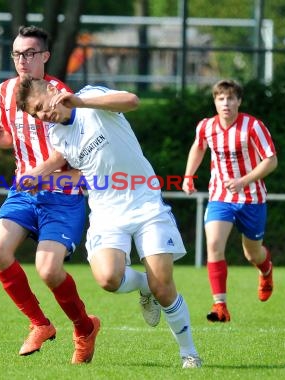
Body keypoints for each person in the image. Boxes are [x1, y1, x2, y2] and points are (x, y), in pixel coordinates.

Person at [16, 77, 202, 369]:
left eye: (41, 106)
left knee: (164, 287)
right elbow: (72, 164)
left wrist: (79, 102)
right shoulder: (57, 135)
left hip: (145, 202)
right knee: (107, 279)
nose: (43, 115)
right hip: (106, 211)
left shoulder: (91, 96)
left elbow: (132, 101)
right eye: (35, 114)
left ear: (53, 91)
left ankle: (189, 354)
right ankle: (145, 286)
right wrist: (40, 174)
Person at [0, 25, 99, 364]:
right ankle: (40, 324)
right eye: (17, 53)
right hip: (25, 190)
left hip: (62, 193)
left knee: (48, 270)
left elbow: (68, 150)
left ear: (45, 56)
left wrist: (41, 172)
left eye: (30, 53)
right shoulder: (5, 90)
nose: (23, 59)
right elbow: (17, 140)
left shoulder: (59, 93)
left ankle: (84, 328)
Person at [181, 79, 278, 323]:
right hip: (220, 197)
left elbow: (271, 160)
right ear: (215, 101)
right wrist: (188, 176)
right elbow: (198, 147)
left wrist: (244, 181)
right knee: (213, 244)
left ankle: (265, 270)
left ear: (239, 101)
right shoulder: (206, 126)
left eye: (231, 98)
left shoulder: (253, 126)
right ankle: (220, 305)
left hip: (252, 197)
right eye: (221, 98)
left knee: (252, 253)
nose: (226, 103)